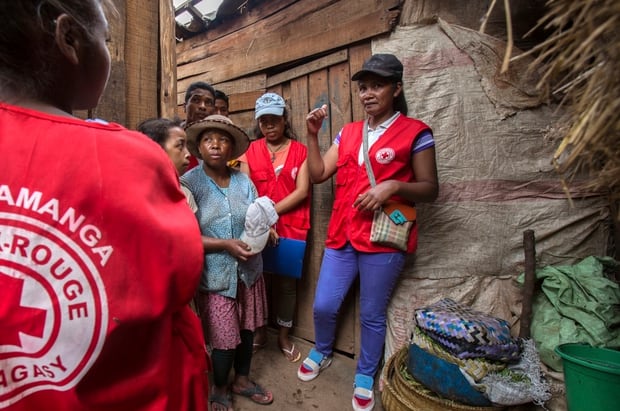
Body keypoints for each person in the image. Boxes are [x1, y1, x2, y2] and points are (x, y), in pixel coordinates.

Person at [0, 1, 209, 410]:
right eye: (106, 40)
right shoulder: (128, 158)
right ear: (69, 38)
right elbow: (179, 276)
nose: (108, 53)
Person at [299, 54, 439, 411]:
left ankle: (364, 374)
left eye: (377, 85)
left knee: (372, 313)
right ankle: (323, 349)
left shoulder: (416, 133)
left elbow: (430, 189)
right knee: (324, 304)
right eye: (363, 87)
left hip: (382, 239)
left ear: (397, 88)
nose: (368, 93)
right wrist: (313, 137)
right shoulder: (347, 133)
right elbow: (317, 175)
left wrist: (391, 185)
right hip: (342, 235)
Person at [181, 115, 274, 411]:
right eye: (208, 139)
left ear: (231, 147)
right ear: (199, 146)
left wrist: (268, 230)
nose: (216, 145)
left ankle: (242, 380)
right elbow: (184, 235)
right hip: (216, 277)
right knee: (223, 340)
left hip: (248, 273)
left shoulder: (243, 182)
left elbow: (257, 214)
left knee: (247, 331)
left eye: (222, 139)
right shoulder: (189, 183)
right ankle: (220, 387)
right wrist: (225, 245)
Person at [238, 92, 311, 363]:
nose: (269, 125)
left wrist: (269, 216)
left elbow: (302, 191)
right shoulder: (250, 151)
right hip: (256, 227)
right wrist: (264, 223)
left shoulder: (301, 151)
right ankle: (259, 333)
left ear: (284, 120)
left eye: (274, 119)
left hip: (291, 227)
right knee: (256, 280)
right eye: (263, 120)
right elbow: (246, 190)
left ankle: (283, 336)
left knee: (287, 285)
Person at [183, 81, 217, 170]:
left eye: (208, 102)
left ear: (213, 110)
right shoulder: (172, 138)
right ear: (185, 106)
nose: (202, 106)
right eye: (196, 100)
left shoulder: (216, 143)